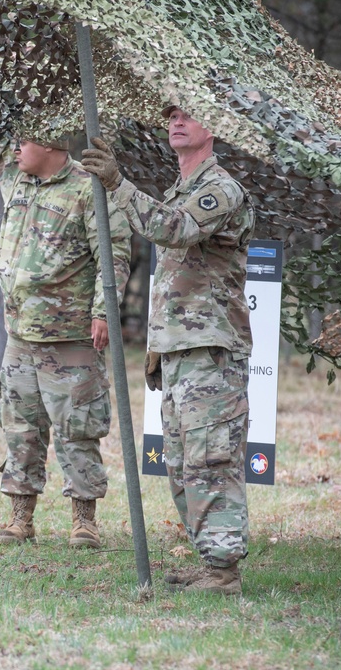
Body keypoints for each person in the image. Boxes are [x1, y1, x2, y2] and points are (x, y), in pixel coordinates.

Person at [80, 106, 255, 596]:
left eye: (189, 116)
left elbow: (173, 229)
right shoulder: (182, 191)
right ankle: (211, 563)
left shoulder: (220, 189)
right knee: (180, 463)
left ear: (212, 127)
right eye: (171, 116)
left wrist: (118, 183)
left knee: (210, 459)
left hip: (211, 351)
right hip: (181, 352)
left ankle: (224, 572)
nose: (177, 122)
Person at [0, 134, 132, 549]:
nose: (14, 150)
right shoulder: (15, 180)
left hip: (70, 335)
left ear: (51, 145)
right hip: (20, 335)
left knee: (77, 427)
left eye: (23, 142)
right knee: (21, 427)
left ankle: (84, 520)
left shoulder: (87, 190)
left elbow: (115, 251)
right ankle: (21, 518)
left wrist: (104, 310)